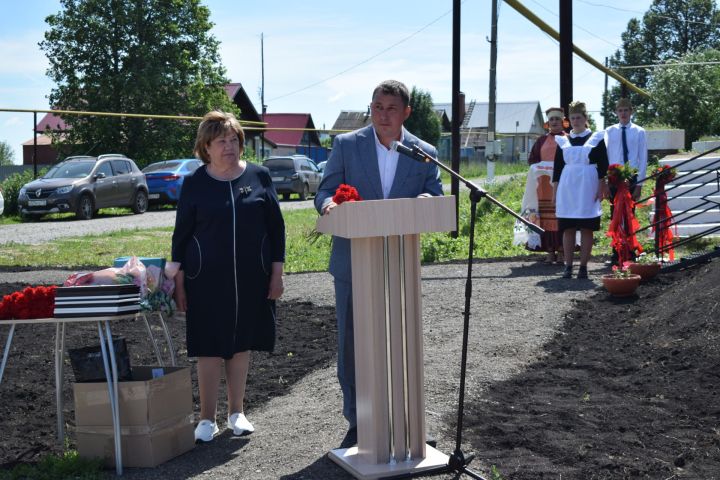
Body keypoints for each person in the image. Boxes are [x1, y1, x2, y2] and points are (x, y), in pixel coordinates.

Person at [314, 80, 443, 448]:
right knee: (353, 345)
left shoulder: (423, 152)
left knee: (402, 342)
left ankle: (406, 420)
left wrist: (421, 200)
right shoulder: (347, 144)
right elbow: (325, 190)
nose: (382, 115)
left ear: (406, 112)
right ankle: (359, 421)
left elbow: (434, 195)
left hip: (399, 262)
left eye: (390, 108)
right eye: (377, 107)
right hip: (352, 262)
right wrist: (329, 205)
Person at [172, 110, 285, 443]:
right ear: (206, 146)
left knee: (241, 344)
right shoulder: (194, 182)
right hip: (204, 278)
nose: (229, 146)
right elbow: (181, 236)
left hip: (252, 278)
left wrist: (277, 272)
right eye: (221, 140)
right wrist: (178, 280)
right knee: (208, 347)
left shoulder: (260, 176)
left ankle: (237, 412)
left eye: (234, 139)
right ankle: (207, 419)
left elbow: (276, 229)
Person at [552, 101, 609, 279]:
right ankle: (568, 266)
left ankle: (583, 266)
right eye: (573, 118)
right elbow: (557, 169)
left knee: (586, 227)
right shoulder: (563, 140)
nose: (576, 121)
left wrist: (601, 188)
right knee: (568, 227)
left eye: (579, 117)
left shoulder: (596, 139)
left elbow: (603, 166)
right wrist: (555, 193)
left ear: (585, 119)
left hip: (588, 184)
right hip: (567, 186)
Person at [520, 107, 567, 263]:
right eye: (551, 119)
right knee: (545, 218)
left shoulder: (569, 139)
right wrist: (541, 166)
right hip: (544, 186)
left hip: (563, 184)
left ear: (563, 122)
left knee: (561, 217)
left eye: (557, 119)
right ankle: (549, 251)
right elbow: (532, 160)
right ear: (548, 123)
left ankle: (562, 251)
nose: (554, 122)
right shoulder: (541, 141)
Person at [604, 97, 648, 264]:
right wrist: (607, 181)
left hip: (631, 177)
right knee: (615, 215)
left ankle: (630, 252)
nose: (623, 114)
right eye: (620, 111)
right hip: (614, 177)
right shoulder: (609, 131)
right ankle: (616, 253)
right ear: (616, 112)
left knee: (629, 215)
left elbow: (642, 157)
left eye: (626, 110)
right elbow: (606, 155)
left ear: (631, 112)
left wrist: (640, 183)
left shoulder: (639, 131)